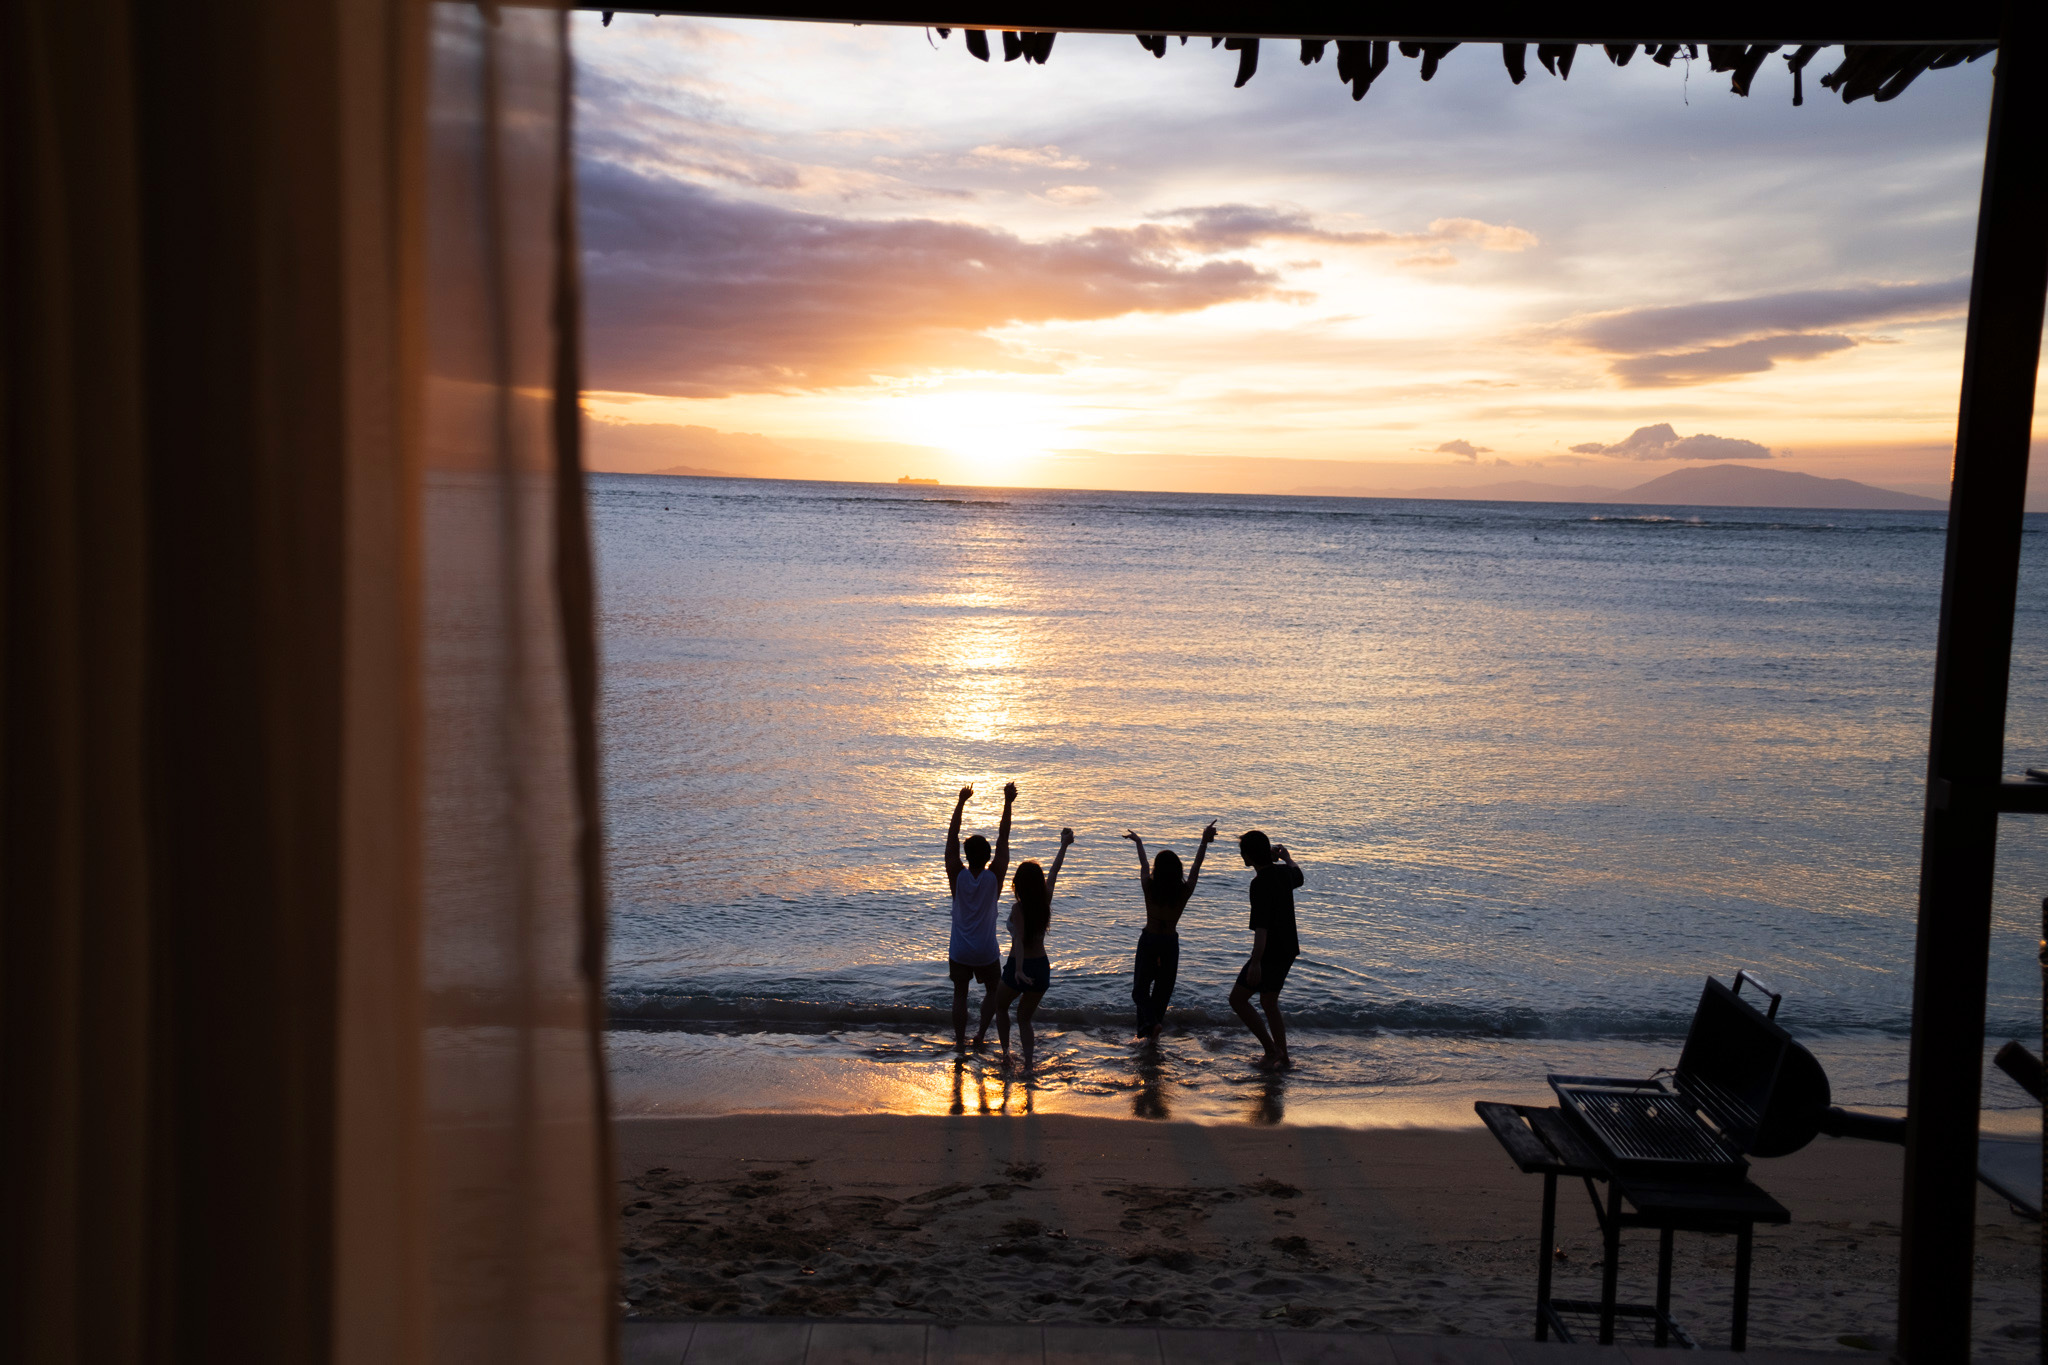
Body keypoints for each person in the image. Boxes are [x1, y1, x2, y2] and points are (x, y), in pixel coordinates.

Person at [981, 826, 1072, 1070]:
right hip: (1042, 967)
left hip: (1019, 967)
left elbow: (1019, 941)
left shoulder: (1018, 909)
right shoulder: (1045, 900)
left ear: (1018, 885)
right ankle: (1029, 1065)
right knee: (1024, 1018)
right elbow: (1054, 871)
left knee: (1001, 1006)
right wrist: (1064, 845)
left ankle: (1007, 1053)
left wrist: (1019, 970)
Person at [1121, 821, 1217, 1041]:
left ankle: (1150, 1027)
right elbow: (1196, 867)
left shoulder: (1149, 887)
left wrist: (1139, 842)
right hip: (1170, 943)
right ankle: (1152, 1035)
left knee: (1140, 991)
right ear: (1177, 871)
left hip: (1150, 940)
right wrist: (1203, 841)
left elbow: (1143, 864)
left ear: (1157, 869)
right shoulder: (1183, 891)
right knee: (1162, 993)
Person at [943, 781, 1015, 1049]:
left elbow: (951, 839)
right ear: (987, 857)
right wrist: (1007, 803)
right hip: (986, 950)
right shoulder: (994, 878)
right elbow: (1003, 838)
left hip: (960, 950)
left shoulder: (957, 876)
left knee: (959, 994)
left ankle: (960, 1043)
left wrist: (960, 803)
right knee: (993, 991)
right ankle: (981, 1036)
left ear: (966, 856)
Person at [1228, 829, 1303, 1071]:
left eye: (1243, 853)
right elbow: (1298, 875)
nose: (1241, 857)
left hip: (1270, 951)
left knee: (1238, 999)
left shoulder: (1259, 884)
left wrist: (1256, 961)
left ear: (1249, 856)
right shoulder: (1283, 873)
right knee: (1269, 1002)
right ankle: (1283, 1056)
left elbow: (1262, 928)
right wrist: (1287, 858)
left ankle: (1271, 1051)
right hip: (1288, 948)